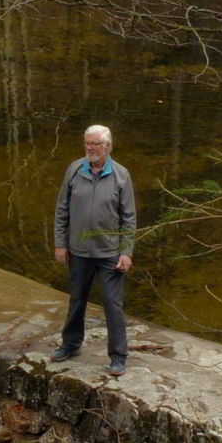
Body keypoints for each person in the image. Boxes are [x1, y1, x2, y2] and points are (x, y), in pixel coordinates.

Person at [52, 124, 136, 376]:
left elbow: (129, 217)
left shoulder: (121, 175)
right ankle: (70, 345)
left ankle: (118, 356)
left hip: (110, 252)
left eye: (95, 144)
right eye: (87, 143)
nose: (90, 148)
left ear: (107, 146)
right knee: (77, 300)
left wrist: (126, 251)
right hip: (78, 251)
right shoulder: (75, 170)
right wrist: (60, 243)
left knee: (112, 304)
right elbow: (62, 210)